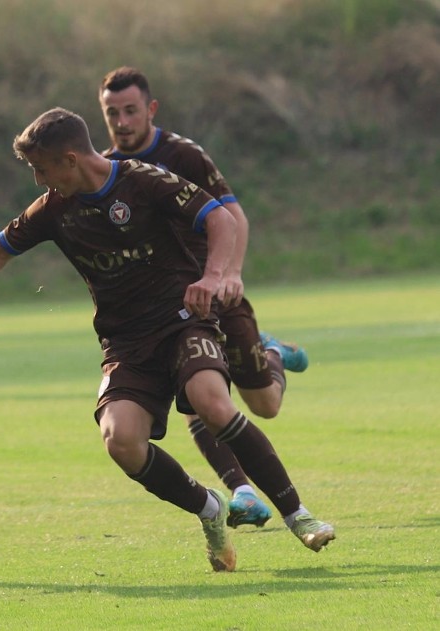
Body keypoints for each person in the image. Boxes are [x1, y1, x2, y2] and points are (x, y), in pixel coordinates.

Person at [0, 107, 335, 572]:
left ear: (71, 159)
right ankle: (209, 509)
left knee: (213, 403)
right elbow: (0, 247)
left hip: (183, 321)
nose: (38, 180)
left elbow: (222, 219)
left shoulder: (145, 182)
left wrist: (214, 276)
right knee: (120, 440)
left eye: (42, 168)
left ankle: (298, 515)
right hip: (125, 343)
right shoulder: (55, 208)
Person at [98, 66, 310, 529]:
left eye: (131, 110)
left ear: (150, 109)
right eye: (112, 113)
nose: (122, 121)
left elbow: (233, 216)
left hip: (215, 287)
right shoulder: (107, 170)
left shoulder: (183, 154)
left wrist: (230, 273)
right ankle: (242, 490)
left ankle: (271, 351)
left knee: (264, 405)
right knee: (198, 393)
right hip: (168, 308)